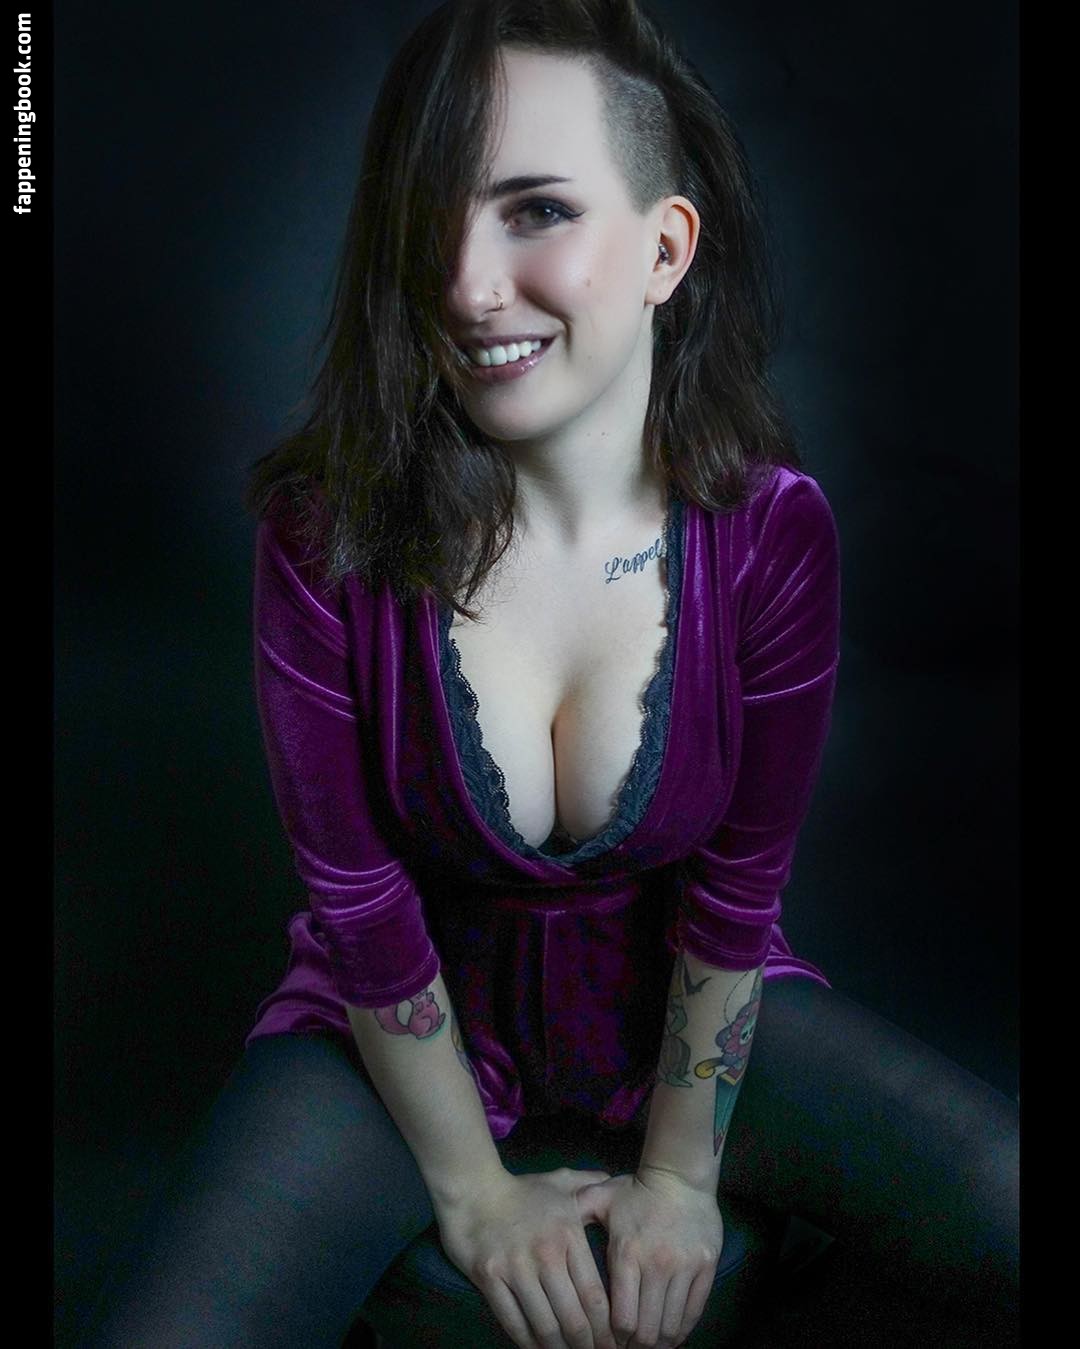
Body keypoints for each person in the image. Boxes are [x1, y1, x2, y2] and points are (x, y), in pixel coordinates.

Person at [75, 2, 1018, 1347]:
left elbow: (737, 887)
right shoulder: (323, 536)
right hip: (387, 1046)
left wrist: (681, 1175)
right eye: (433, 218)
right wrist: (475, 1194)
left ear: (664, 248)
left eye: (536, 211)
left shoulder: (771, 534)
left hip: (685, 1017)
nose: (467, 284)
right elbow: (358, 897)